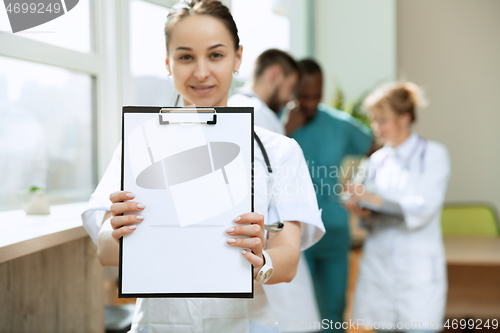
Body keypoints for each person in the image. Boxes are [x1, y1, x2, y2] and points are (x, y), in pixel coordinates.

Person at [81, 1, 325, 332]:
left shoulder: (278, 151)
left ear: (238, 57)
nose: (200, 72)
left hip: (243, 324)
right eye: (185, 57)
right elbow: (106, 250)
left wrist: (260, 261)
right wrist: (120, 232)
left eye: (215, 55)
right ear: (168, 64)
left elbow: (289, 260)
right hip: (160, 325)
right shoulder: (140, 145)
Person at [345, 82, 450, 332]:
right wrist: (362, 210)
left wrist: (372, 199)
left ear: (405, 117)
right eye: (374, 120)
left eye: (383, 120)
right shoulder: (376, 160)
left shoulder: (433, 155)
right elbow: (370, 220)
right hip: (379, 271)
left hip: (416, 273)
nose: (376, 127)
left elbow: (422, 210)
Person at [229, 50, 321, 332]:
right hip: (268, 259)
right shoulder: (259, 115)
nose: (289, 100)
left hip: (269, 257)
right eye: (290, 90)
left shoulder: (243, 110)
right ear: (274, 75)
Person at [284, 59, 373, 330]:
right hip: (296, 233)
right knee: (301, 314)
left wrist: (361, 185)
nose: (310, 103)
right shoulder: (279, 125)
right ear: (292, 92)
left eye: (316, 96)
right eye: (304, 97)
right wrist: (286, 130)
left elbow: (376, 147)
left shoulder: (339, 124)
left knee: (333, 311)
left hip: (334, 228)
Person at [228, 48, 300, 135]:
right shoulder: (264, 118)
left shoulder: (231, 104)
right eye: (290, 88)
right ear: (275, 75)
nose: (289, 100)